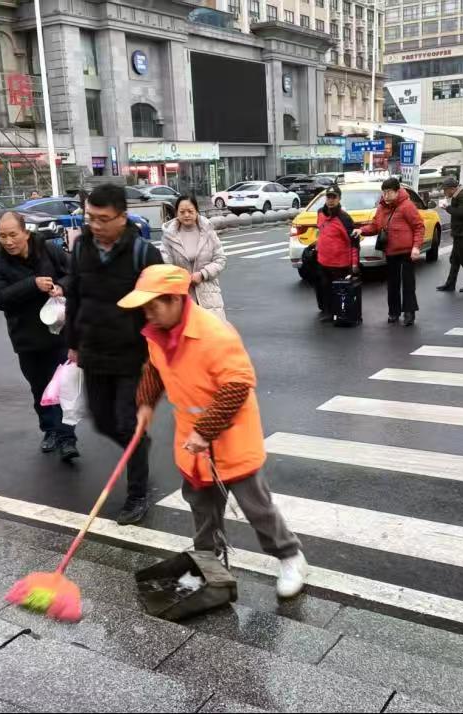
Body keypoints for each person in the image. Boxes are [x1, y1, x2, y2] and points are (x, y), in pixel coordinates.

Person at [122, 264, 308, 598]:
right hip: (193, 439)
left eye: (153, 305)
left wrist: (206, 430)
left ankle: (290, 556)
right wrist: (146, 403)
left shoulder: (214, 334)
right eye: (144, 307)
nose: (147, 314)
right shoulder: (158, 334)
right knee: (201, 506)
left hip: (231, 436)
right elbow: (155, 369)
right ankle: (208, 563)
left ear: (176, 299)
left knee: (255, 505)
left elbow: (238, 385)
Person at [64, 183, 163, 525]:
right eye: (90, 217)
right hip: (93, 351)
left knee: (126, 422)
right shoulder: (81, 248)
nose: (95, 225)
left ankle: (137, 493)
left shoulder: (143, 254)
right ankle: (138, 447)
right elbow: (75, 296)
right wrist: (73, 342)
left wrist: (156, 356)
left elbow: (161, 306)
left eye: (103, 219)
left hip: (132, 356)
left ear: (122, 217)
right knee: (101, 419)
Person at [0, 211, 79, 462]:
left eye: (13, 235)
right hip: (27, 338)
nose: (8, 241)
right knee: (40, 388)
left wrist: (62, 287)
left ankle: (67, 438)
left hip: (59, 333)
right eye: (2, 236)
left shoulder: (48, 249)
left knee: (62, 386)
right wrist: (32, 284)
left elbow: (74, 274)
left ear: (25, 233)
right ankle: (49, 429)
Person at [357, 178, 423, 325]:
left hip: (407, 251)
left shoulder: (407, 206)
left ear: (397, 191)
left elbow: (419, 226)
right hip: (391, 251)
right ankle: (393, 312)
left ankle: (409, 313)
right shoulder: (381, 207)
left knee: (408, 283)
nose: (386, 195)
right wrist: (361, 230)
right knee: (392, 284)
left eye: (389, 192)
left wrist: (416, 247)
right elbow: (375, 226)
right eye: (384, 192)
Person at [160, 195, 228, 321]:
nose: (186, 215)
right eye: (182, 212)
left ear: (197, 211)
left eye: (190, 211)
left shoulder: (208, 231)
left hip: (209, 294)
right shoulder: (169, 236)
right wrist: (181, 278)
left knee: (211, 330)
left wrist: (202, 274)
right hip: (182, 295)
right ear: (176, 213)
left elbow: (220, 259)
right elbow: (165, 265)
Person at [313, 185, 359, 322]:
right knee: (324, 287)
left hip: (340, 263)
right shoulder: (320, 213)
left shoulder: (345, 218)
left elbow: (354, 242)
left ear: (339, 199)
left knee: (338, 290)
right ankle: (328, 312)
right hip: (323, 260)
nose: (331, 200)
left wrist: (354, 263)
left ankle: (340, 313)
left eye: (334, 197)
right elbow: (321, 231)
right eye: (329, 197)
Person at [436, 175, 463, 293]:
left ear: (452, 189)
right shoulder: (457, 194)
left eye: (445, 190)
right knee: (455, 259)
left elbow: (461, 213)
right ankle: (450, 284)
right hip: (460, 232)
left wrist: (446, 207)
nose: (444, 193)